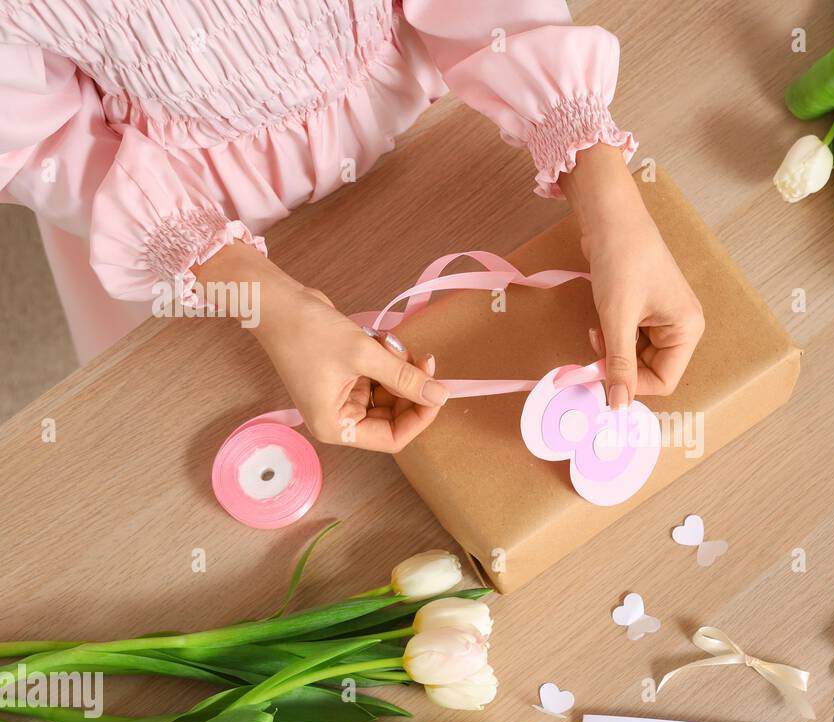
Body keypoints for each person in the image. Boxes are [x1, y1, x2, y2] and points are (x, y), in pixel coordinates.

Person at [0, 0, 703, 451]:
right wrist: (266, 302)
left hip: (425, 102)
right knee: (175, 416)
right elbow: (44, 142)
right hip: (176, 210)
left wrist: (604, 189)